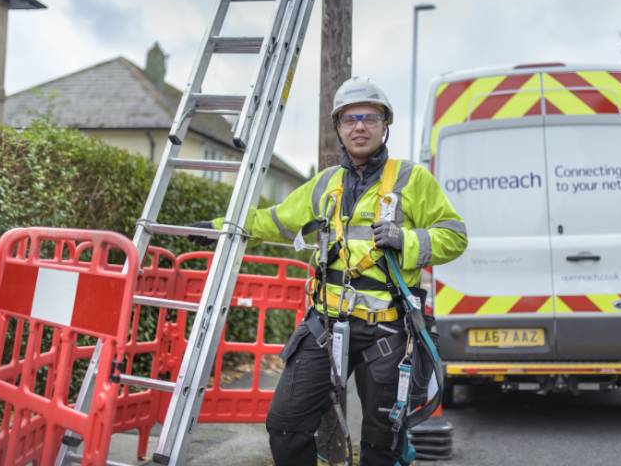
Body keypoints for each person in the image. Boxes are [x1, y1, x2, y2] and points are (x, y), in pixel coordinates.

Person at [192, 76, 467, 465]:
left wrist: (406, 241)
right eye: (350, 118)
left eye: (370, 117)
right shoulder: (326, 184)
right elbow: (274, 221)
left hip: (386, 330)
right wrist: (221, 227)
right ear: (338, 127)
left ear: (385, 124)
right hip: (327, 325)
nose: (360, 126)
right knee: (285, 424)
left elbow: (455, 237)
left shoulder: (412, 180)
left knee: (382, 443)